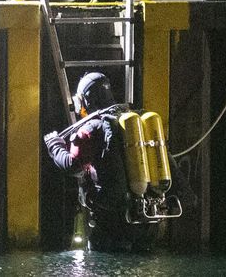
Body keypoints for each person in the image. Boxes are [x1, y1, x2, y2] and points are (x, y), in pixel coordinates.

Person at [44, 72, 156, 252]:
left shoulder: (93, 127)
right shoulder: (132, 121)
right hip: (142, 215)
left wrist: (54, 145)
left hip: (109, 216)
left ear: (86, 100)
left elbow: (72, 165)